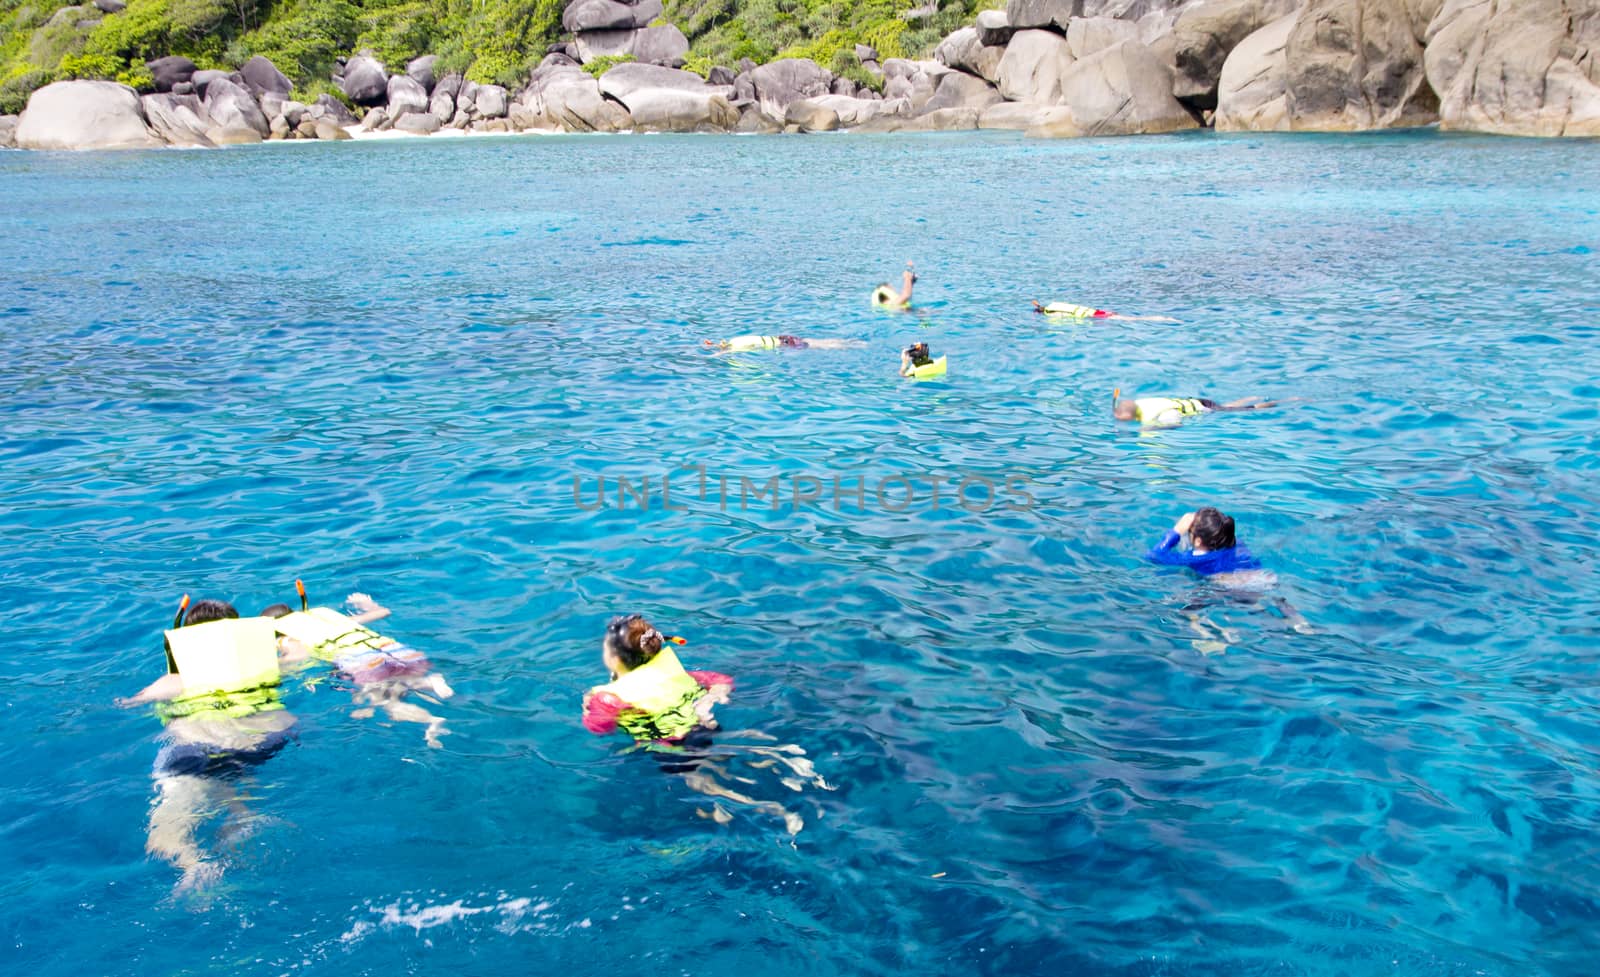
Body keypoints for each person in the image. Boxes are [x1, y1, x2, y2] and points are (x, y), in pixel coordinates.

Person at [582, 614, 829, 836]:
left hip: (673, 748)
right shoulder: (675, 675)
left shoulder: (608, 697)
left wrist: (589, 706)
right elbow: (721, 680)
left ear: (614, 658)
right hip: (703, 728)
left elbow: (599, 728)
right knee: (719, 759)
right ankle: (775, 756)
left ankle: (777, 811)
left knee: (707, 787)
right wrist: (711, 698)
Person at [119, 597, 298, 893]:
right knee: (234, 786)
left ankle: (193, 865)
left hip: (194, 752)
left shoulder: (175, 680)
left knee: (167, 829)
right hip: (258, 745)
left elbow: (126, 705)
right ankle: (240, 816)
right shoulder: (267, 669)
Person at [268, 588, 454, 749]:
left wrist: (276, 667)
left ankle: (431, 721)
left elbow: (298, 656)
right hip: (392, 649)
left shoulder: (286, 638)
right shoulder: (332, 621)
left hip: (362, 661)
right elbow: (383, 612)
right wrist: (366, 603)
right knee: (397, 684)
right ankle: (427, 682)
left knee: (386, 703)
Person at [1144, 508, 1312, 651]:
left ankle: (1217, 634)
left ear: (1198, 540)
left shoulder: (1194, 559)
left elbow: (1153, 555)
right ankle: (1297, 621)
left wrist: (1177, 531)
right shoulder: (1236, 543)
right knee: (1261, 602)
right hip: (1261, 579)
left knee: (1185, 611)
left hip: (1228, 587)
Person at [1114, 394, 1278, 427]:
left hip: (1203, 407)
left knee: (1247, 410)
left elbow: (1176, 424)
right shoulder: (1139, 403)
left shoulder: (1161, 414)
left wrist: (1152, 427)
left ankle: (1274, 402)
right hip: (1196, 400)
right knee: (1227, 406)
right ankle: (1251, 396)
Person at [1032, 300, 1176, 322]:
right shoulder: (1054, 304)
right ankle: (1161, 318)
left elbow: (1067, 318)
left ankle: (1161, 319)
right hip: (1097, 312)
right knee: (1130, 318)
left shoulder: (1051, 314)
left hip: (1095, 317)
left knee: (1133, 320)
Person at [704, 334, 864, 352]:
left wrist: (712, 356)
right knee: (818, 341)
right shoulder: (735, 340)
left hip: (786, 344)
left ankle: (850, 345)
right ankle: (852, 341)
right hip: (784, 338)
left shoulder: (736, 346)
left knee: (821, 346)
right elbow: (723, 348)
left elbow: (725, 352)